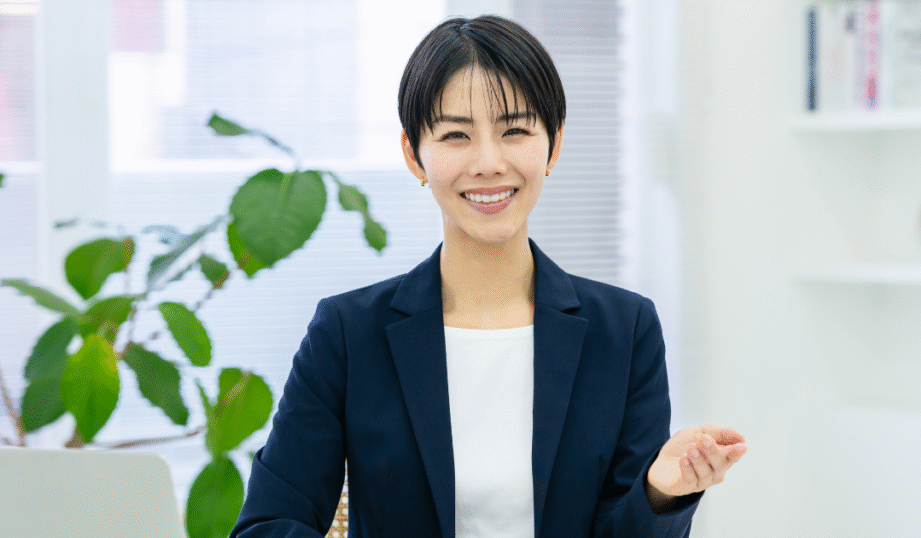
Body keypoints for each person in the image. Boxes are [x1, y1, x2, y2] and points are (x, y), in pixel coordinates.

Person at [230, 14, 746, 538]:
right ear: (414, 155)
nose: (488, 162)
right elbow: (268, 524)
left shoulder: (625, 329)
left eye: (515, 130)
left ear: (554, 145)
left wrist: (658, 492)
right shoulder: (347, 332)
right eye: (456, 135)